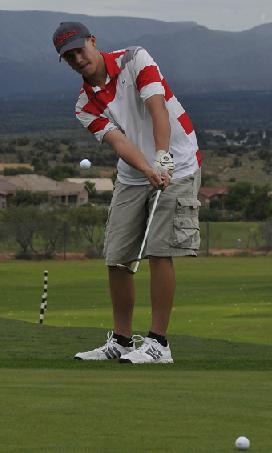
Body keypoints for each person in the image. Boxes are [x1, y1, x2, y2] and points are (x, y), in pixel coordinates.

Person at [53, 21, 202, 364]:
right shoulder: (83, 105)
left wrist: (163, 159)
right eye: (68, 56)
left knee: (159, 250)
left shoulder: (135, 59)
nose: (77, 58)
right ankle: (120, 341)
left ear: (93, 41)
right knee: (117, 255)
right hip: (135, 172)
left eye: (80, 49)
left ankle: (158, 344)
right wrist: (148, 168)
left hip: (178, 160)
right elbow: (120, 142)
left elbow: (157, 108)